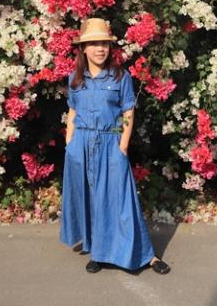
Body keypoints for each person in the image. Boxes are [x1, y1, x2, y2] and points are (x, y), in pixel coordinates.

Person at [59, 17, 171, 274]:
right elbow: (72, 113)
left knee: (121, 200)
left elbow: (128, 112)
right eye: (94, 43)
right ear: (83, 49)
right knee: (90, 200)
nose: (100, 49)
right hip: (81, 146)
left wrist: (122, 147)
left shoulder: (121, 77)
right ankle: (98, 250)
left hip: (110, 143)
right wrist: (69, 144)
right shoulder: (75, 79)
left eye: (104, 44)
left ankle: (146, 255)